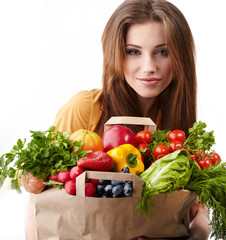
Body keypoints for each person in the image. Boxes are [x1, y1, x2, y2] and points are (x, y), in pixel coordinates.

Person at [26, 0, 211, 239]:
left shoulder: (178, 129)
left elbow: (197, 212)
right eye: (133, 51)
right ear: (116, 54)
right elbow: (40, 205)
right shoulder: (86, 109)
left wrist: (198, 234)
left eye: (162, 51)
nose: (149, 67)